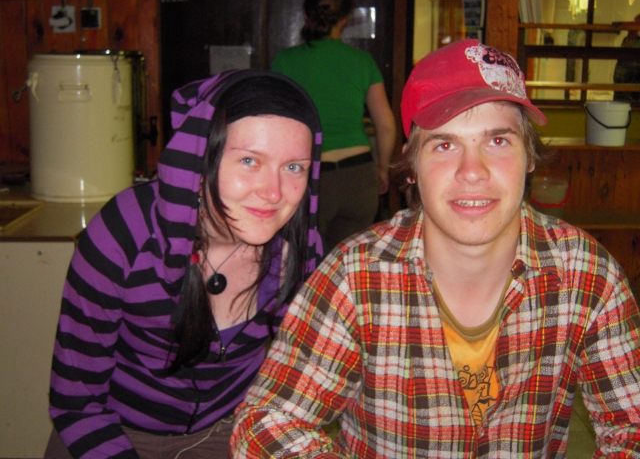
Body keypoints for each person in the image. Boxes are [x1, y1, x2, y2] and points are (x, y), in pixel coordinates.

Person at [230, 39, 640, 457]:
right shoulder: (355, 276)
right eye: (445, 144)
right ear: (412, 166)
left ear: (529, 156)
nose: (473, 171)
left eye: (498, 141)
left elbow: (632, 428)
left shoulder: (586, 273)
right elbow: (265, 423)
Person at [44, 69, 323, 458]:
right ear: (200, 157)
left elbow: (300, 381)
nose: (274, 193)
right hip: (109, 431)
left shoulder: (299, 249)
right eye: (249, 160)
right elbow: (76, 399)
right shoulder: (125, 231)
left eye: (294, 167)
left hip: (223, 432)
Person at [271, 0, 396, 250]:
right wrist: (383, 170)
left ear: (306, 13)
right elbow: (386, 125)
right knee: (350, 264)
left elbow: (275, 125)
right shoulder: (363, 61)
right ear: (346, 18)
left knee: (306, 264)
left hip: (313, 178)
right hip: (359, 177)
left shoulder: (285, 61)